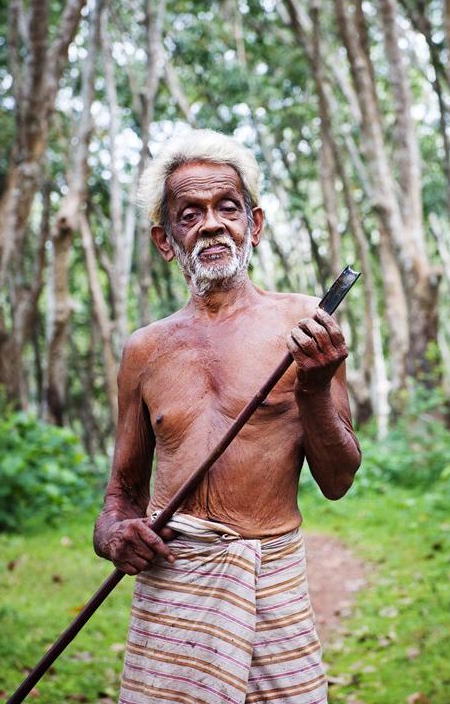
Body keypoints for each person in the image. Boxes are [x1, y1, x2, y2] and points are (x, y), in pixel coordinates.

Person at [93, 129, 362, 704]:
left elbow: (337, 481)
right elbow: (120, 496)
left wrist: (313, 389)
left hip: (271, 576)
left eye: (228, 208)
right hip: (175, 584)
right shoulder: (145, 351)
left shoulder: (305, 324)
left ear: (254, 225)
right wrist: (117, 535)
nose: (212, 223)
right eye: (191, 214)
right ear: (166, 240)